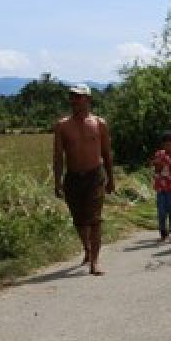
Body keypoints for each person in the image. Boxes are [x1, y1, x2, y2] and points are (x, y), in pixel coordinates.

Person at [53, 84, 114, 276]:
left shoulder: (99, 123)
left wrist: (111, 178)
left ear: (87, 99)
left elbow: (106, 153)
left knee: (95, 220)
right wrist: (57, 182)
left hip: (94, 176)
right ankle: (87, 249)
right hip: (73, 177)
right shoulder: (63, 125)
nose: (74, 100)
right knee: (79, 221)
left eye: (78, 97)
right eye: (72, 97)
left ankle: (94, 262)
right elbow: (58, 156)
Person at [151, 131, 171, 243]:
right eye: (165, 144)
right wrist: (158, 164)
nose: (167, 147)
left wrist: (168, 162)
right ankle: (163, 234)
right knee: (161, 212)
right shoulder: (159, 153)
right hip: (161, 187)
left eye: (169, 144)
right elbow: (157, 169)